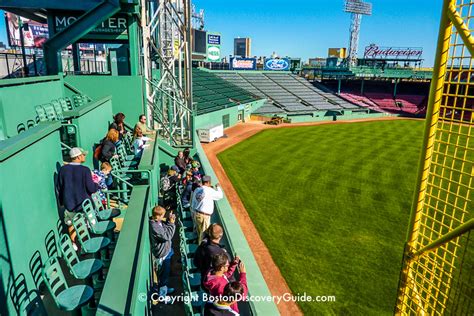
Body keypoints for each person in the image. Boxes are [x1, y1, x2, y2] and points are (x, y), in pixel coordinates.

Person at [58, 147, 99, 235]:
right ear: (78, 157)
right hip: (83, 205)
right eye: (83, 155)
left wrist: (61, 202)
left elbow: (59, 188)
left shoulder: (62, 170)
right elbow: (91, 188)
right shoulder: (85, 170)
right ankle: (86, 245)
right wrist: (97, 184)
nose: (84, 156)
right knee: (88, 227)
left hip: (69, 204)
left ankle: (74, 245)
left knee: (71, 224)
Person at [149, 205, 176, 301]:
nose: (164, 217)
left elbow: (165, 228)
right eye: (162, 215)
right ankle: (162, 296)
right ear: (157, 216)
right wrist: (172, 224)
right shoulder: (154, 226)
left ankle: (164, 289)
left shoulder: (158, 222)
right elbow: (167, 236)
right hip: (161, 254)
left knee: (166, 272)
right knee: (163, 274)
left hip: (166, 250)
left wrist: (169, 221)